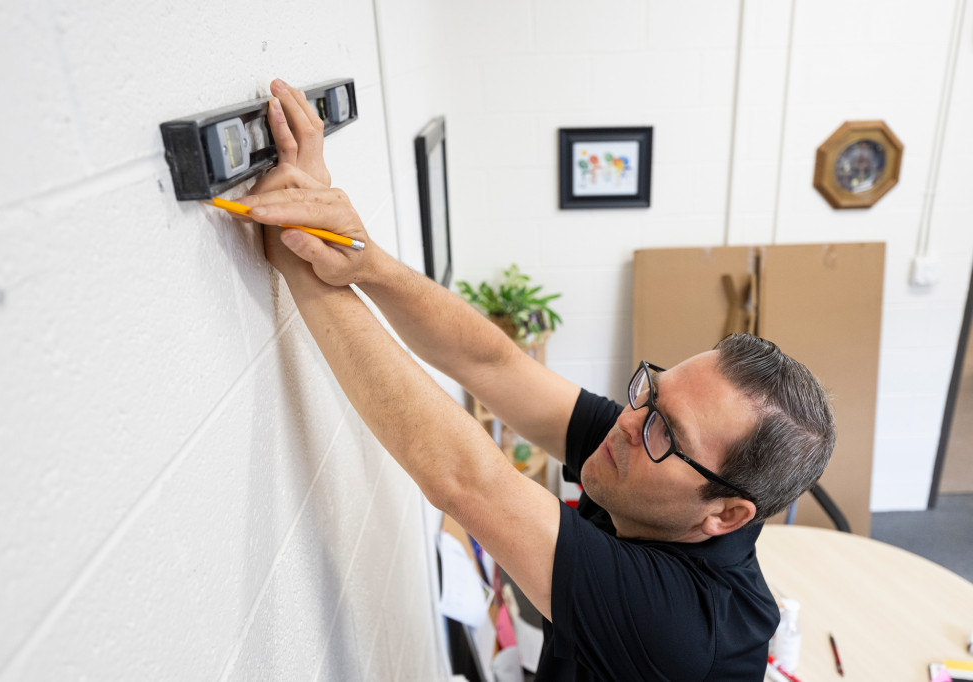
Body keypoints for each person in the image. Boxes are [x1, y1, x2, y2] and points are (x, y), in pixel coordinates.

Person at [235, 79, 836, 681]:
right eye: (650, 392)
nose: (628, 421)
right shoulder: (647, 459)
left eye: (662, 429)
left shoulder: (682, 625)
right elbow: (496, 367)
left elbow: (466, 481)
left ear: (727, 516)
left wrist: (295, 253)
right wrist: (358, 257)